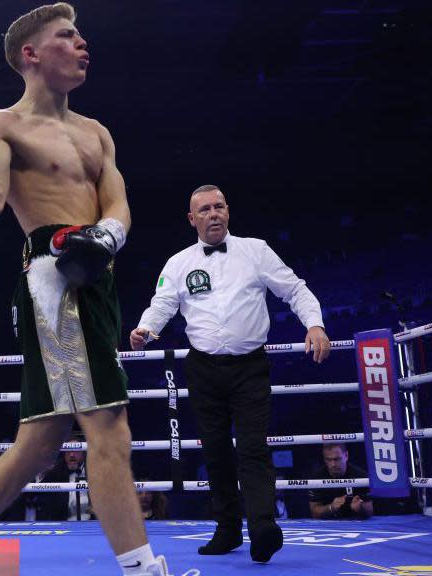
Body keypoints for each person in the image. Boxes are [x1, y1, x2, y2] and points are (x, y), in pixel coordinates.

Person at [0, 4, 175, 575]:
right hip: (56, 275)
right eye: (67, 36)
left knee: (40, 442)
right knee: (109, 428)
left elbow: (117, 201)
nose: (82, 43)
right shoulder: (4, 125)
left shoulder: (96, 132)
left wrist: (108, 237)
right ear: (31, 54)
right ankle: (144, 571)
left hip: (97, 277)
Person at [130, 185, 331, 563]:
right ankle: (227, 530)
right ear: (192, 219)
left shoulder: (255, 250)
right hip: (203, 368)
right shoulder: (178, 263)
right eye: (204, 209)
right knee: (216, 452)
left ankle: (263, 528)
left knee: (254, 447)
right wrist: (146, 330)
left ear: (228, 211)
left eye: (219, 206)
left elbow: (295, 289)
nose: (213, 214)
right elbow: (163, 303)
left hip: (250, 367)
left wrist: (315, 325)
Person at [308, 443, 373, 519]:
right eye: (328, 460)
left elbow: (370, 510)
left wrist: (360, 508)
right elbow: (314, 512)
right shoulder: (317, 477)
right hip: (328, 523)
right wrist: (331, 508)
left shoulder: (360, 476)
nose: (333, 464)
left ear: (346, 456)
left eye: (337, 459)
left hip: (354, 522)